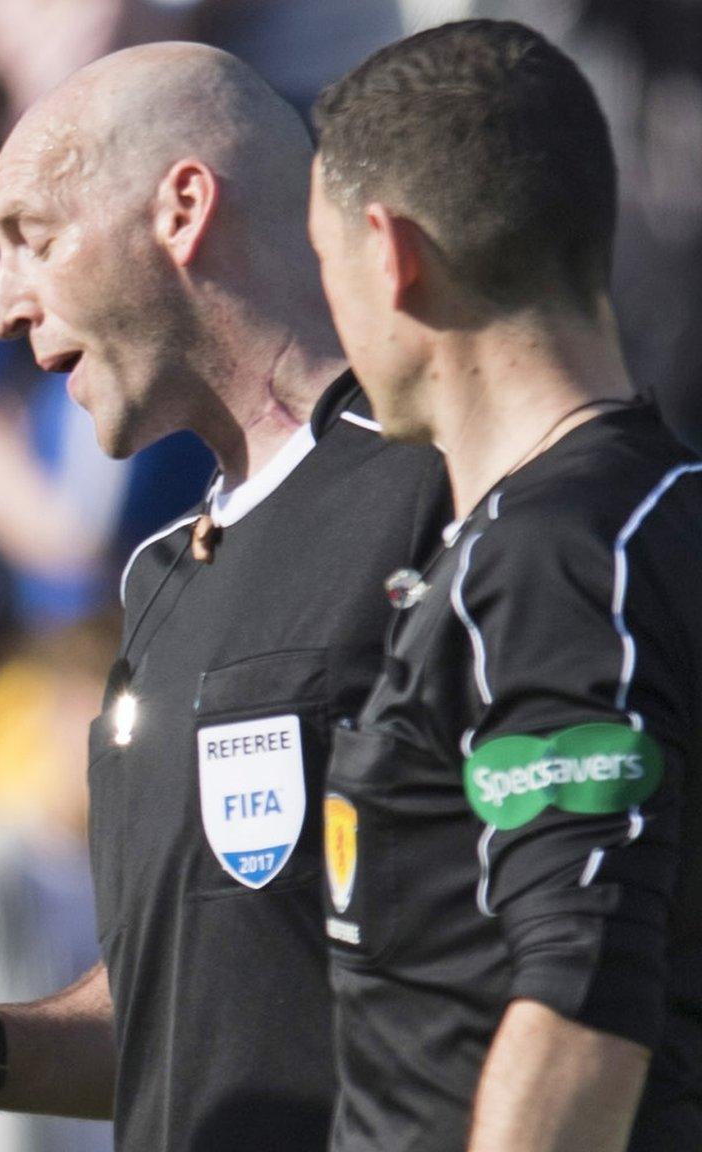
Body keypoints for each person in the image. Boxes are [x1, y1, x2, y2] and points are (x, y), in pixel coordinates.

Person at [0, 43, 449, 1152]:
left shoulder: (450, 499)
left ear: (180, 210)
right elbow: (196, 1013)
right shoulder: (161, 575)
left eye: (29, 240)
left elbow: (561, 959)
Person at [308, 21, 701, 1151]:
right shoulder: (635, 518)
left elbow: (581, 991)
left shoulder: (553, 560)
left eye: (324, 262)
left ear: (389, 254)